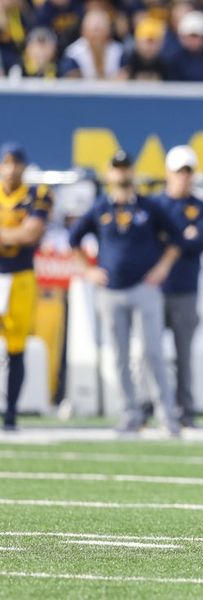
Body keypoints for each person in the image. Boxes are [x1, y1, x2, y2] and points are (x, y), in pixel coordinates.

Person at [69, 151, 183, 436]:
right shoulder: (99, 208)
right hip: (111, 290)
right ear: (109, 173)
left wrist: (163, 267)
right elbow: (73, 240)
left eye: (125, 168)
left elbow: (176, 238)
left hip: (144, 287)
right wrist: (89, 271)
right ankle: (129, 414)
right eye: (116, 169)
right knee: (119, 355)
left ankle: (166, 415)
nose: (121, 174)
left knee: (153, 352)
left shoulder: (148, 206)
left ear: (132, 171)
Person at [155, 145, 203, 428]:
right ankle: (150, 406)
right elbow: (150, 243)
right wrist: (182, 236)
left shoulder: (201, 206)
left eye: (188, 171)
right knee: (149, 354)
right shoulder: (155, 205)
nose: (184, 177)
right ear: (168, 173)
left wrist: (170, 238)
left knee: (183, 355)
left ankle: (185, 410)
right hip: (155, 289)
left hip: (185, 288)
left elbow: (200, 242)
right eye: (179, 172)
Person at [0, 143, 53, 431]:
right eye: (5, 163)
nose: (10, 169)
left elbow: (30, 234)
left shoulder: (38, 194)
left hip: (20, 276)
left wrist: (14, 236)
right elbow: (19, 234)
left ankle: (10, 415)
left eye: (15, 163)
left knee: (16, 348)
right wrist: (13, 235)